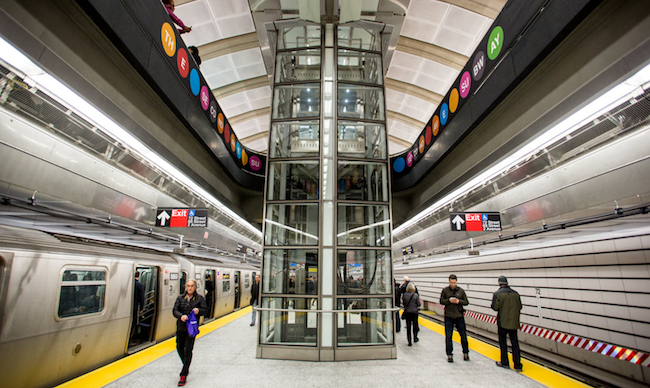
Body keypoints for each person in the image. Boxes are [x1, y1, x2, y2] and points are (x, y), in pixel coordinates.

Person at [173, 279, 207, 386]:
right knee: (179, 347)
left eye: (192, 286)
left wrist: (199, 311)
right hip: (181, 328)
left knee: (188, 350)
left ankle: (183, 375)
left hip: (191, 329)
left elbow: (205, 310)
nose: (190, 288)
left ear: (195, 287)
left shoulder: (199, 298)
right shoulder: (180, 298)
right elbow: (175, 310)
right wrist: (180, 316)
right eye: (188, 286)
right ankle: (186, 364)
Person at [491, 275, 523, 372]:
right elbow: (520, 306)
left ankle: (505, 362)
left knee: (503, 342)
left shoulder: (497, 294)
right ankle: (517, 364)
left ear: (499, 283)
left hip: (502, 323)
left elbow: (495, 307)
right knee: (515, 343)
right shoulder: (516, 294)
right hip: (514, 323)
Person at [440, 274, 470, 362]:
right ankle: (449, 354)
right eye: (451, 282)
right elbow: (441, 301)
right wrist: (448, 300)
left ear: (456, 282)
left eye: (454, 282)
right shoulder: (445, 291)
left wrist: (458, 301)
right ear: (449, 282)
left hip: (459, 316)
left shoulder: (461, 291)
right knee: (448, 336)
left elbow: (466, 302)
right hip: (449, 316)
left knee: (463, 335)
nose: (453, 284)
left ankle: (465, 352)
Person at [130, 271, 145, 344]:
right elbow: (141, 298)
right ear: (139, 276)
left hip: (128, 307)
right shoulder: (140, 285)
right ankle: (131, 340)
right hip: (135, 308)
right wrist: (141, 308)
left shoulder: (130, 285)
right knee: (133, 323)